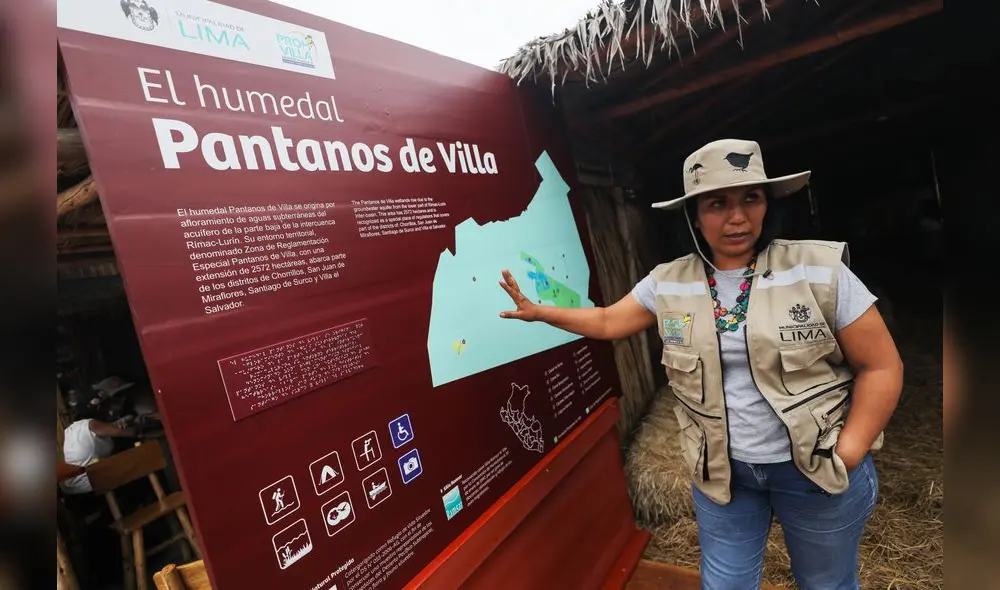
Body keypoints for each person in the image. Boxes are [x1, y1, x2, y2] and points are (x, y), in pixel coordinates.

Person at [499, 139, 903, 589]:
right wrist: (542, 312)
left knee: (826, 583)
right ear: (693, 214)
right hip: (725, 475)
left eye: (750, 198)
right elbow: (610, 319)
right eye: (717, 203)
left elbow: (881, 367)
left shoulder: (817, 270)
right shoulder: (670, 282)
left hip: (814, 469)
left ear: (767, 204)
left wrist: (849, 451)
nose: (737, 217)